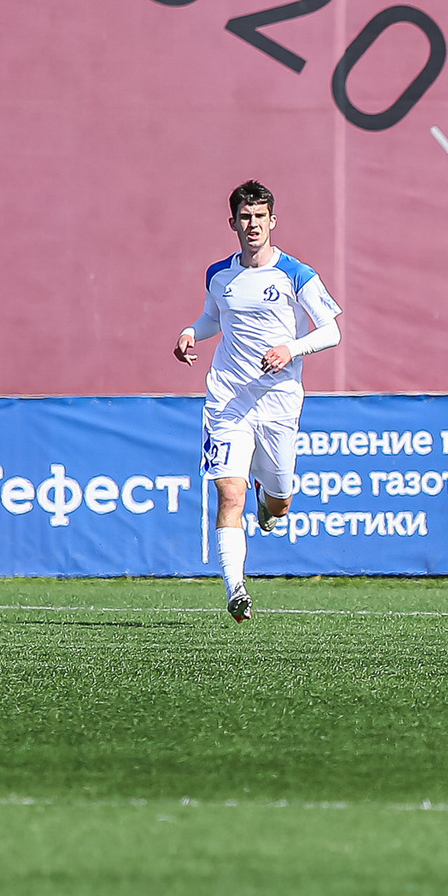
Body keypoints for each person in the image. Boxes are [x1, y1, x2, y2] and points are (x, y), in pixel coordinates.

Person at [173, 180, 341, 622]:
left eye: (260, 217)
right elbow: (213, 317)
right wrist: (192, 332)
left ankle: (270, 509)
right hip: (228, 399)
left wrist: (292, 348)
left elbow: (331, 331)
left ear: (273, 222)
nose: (252, 225)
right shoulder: (219, 274)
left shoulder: (295, 274)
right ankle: (236, 589)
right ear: (232, 222)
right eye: (244, 217)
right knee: (230, 493)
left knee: (280, 500)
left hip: (279, 401)